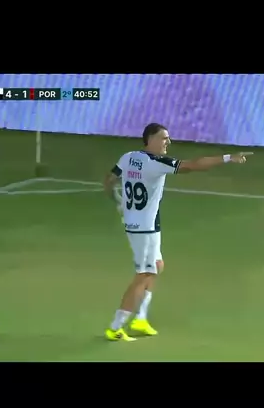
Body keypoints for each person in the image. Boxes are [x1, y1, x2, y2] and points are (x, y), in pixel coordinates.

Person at [103, 122, 253, 341]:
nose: (168, 142)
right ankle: (116, 327)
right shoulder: (157, 163)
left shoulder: (128, 158)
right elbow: (193, 165)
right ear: (151, 139)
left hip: (141, 224)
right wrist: (228, 157)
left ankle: (140, 319)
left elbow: (109, 180)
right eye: (164, 138)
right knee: (143, 275)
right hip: (144, 229)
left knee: (156, 266)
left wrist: (117, 201)